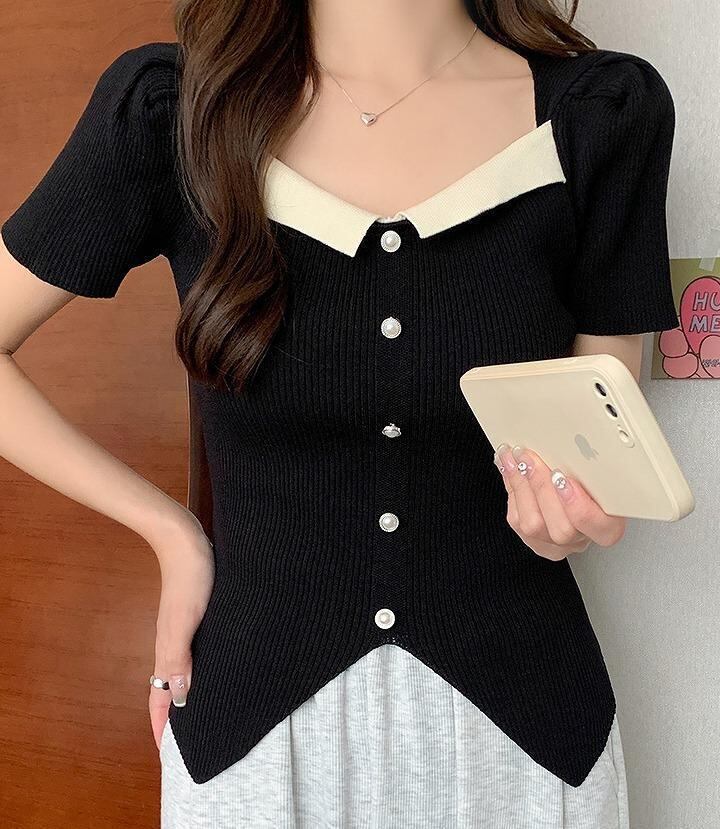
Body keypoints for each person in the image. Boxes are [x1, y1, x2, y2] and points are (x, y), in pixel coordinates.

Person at [0, 0, 680, 826]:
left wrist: (567, 519)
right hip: (253, 746)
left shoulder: (601, 116)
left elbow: (597, 446)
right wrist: (173, 535)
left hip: (521, 741)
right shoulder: (174, 112)